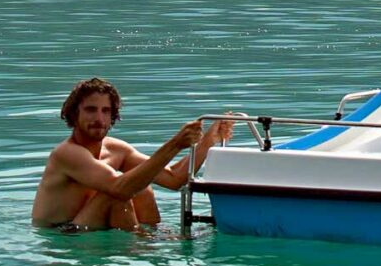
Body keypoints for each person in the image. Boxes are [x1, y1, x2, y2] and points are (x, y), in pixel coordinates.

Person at [30, 76, 232, 230]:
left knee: (143, 189)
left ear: (113, 116)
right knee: (118, 193)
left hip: (93, 231)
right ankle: (140, 256)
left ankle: (151, 244)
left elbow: (174, 178)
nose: (99, 118)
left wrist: (208, 142)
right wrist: (176, 143)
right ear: (74, 114)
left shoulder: (117, 150)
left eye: (106, 111)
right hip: (64, 237)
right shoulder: (67, 154)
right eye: (91, 110)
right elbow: (120, 189)